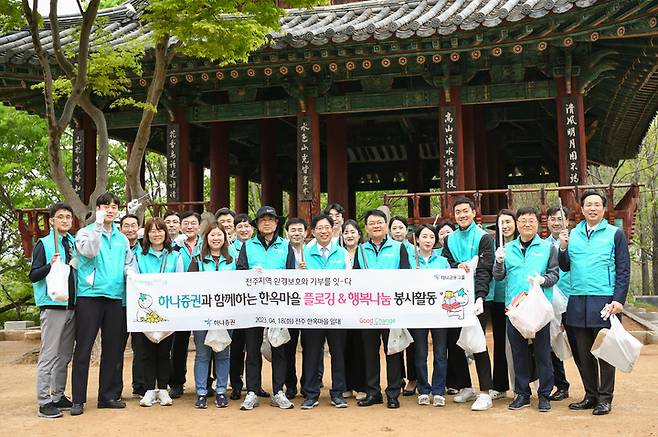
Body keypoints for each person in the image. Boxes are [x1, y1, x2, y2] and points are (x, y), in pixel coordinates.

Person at [558, 190, 630, 416]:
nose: (592, 208)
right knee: (584, 352)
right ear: (581, 208)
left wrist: (618, 299)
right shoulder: (572, 234)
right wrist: (562, 247)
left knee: (605, 351)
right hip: (578, 299)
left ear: (603, 208)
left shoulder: (614, 234)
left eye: (597, 204)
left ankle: (605, 398)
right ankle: (590, 395)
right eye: (588, 204)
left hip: (605, 300)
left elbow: (623, 269)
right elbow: (565, 266)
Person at [71, 192, 132, 416]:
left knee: (113, 350)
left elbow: (128, 264)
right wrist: (97, 226)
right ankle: (78, 399)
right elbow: (90, 251)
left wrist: (132, 275)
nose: (110, 210)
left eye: (115, 206)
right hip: (90, 296)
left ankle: (106, 396)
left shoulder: (121, 238)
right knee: (84, 348)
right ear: (98, 209)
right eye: (106, 206)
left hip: (115, 297)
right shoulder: (84, 233)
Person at [493, 207, 559, 412]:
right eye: (523, 221)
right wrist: (499, 262)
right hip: (515, 309)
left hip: (539, 309)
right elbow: (498, 276)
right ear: (517, 224)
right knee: (519, 353)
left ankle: (544, 394)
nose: (527, 224)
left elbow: (554, 275)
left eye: (531, 220)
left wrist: (542, 280)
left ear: (537, 223)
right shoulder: (508, 248)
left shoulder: (547, 248)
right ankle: (522, 394)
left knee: (542, 353)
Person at [236, 206, 296, 410]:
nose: (267, 223)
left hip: (278, 306)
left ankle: (278, 391)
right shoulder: (247, 246)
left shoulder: (286, 246)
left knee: (279, 349)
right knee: (252, 350)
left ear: (277, 223)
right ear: (257, 224)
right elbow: (239, 272)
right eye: (263, 220)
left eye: (271, 219)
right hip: (253, 306)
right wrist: (251, 273)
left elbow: (291, 275)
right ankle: (252, 391)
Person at [441, 196, 494, 411]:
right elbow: (446, 263)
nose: (462, 215)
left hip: (477, 299)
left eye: (465, 211)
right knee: (455, 343)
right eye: (458, 212)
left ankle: (485, 392)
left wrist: (480, 296)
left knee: (478, 344)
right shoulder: (449, 239)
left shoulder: (483, 237)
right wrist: (457, 266)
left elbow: (485, 269)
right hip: (454, 298)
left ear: (474, 212)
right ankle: (465, 386)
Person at [354, 209, 410, 409]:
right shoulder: (361, 250)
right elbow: (355, 279)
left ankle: (393, 393)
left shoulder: (398, 248)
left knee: (392, 350)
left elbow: (406, 275)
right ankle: (373, 392)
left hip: (391, 308)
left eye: (379, 222)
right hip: (368, 308)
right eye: (371, 223)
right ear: (366, 227)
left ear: (386, 225)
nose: (376, 226)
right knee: (369, 351)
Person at [298, 214, 351, 409]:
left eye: (327, 227)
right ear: (312, 231)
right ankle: (311, 394)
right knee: (311, 354)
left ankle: (338, 393)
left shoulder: (342, 253)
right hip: (312, 313)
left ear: (333, 229)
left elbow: (349, 282)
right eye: (319, 228)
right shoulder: (304, 253)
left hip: (337, 312)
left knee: (338, 354)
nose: (323, 231)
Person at [30, 202, 77, 418]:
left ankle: (58, 395)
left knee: (65, 354)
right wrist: (50, 265)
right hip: (52, 306)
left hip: (72, 306)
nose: (65, 220)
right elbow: (33, 275)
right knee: (49, 354)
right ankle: (44, 401)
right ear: (51, 220)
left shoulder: (74, 243)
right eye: (61, 217)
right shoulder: (44, 244)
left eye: (68, 217)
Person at [132, 218, 184, 407]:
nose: (156, 234)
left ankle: (162, 389)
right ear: (146, 234)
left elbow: (179, 282)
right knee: (145, 351)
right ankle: (148, 390)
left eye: (160, 230)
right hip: (144, 310)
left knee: (164, 351)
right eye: (152, 231)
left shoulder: (175, 256)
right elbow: (134, 279)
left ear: (166, 233)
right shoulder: (138, 255)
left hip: (167, 310)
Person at [188, 221, 235, 409]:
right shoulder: (197, 259)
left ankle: (221, 390)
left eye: (219, 235)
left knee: (223, 353)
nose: (216, 238)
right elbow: (189, 284)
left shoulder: (233, 259)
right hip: (202, 314)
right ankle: (201, 392)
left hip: (227, 313)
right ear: (206, 238)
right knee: (202, 354)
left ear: (225, 238)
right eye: (212, 235)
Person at [409, 224, 451, 407]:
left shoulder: (442, 261)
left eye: (431, 237)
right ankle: (424, 390)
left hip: (439, 314)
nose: (428, 240)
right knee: (420, 353)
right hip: (418, 314)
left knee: (441, 353)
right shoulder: (410, 260)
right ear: (417, 239)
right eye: (424, 237)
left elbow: (451, 285)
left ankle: (439, 390)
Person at [228, 213, 266, 401]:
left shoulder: (255, 247)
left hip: (258, 305)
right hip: (237, 305)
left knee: (254, 347)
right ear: (235, 230)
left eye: (247, 226)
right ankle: (235, 384)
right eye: (239, 226)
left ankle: (255, 385)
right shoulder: (228, 248)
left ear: (253, 229)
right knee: (236, 347)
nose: (243, 229)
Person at [168, 211, 203, 399]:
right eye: (186, 223)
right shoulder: (172, 247)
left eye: (193, 223)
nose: (189, 226)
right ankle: (176, 382)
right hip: (180, 301)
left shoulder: (208, 244)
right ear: (181, 227)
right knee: (178, 343)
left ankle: (207, 382)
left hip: (204, 300)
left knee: (206, 342)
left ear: (199, 226)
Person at [545, 205, 576, 402]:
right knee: (552, 343)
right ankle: (561, 384)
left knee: (579, 344)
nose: (556, 223)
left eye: (560, 219)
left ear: (568, 222)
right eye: (552, 219)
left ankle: (592, 387)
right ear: (547, 222)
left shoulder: (575, 242)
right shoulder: (542, 244)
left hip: (572, 298)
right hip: (552, 301)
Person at [113, 214, 146, 401]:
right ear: (121, 228)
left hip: (140, 305)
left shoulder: (145, 249)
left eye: (134, 225)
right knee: (116, 348)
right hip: (119, 302)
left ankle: (140, 386)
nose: (130, 229)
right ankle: (115, 389)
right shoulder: (116, 247)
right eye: (126, 226)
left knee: (141, 347)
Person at [486, 209, 517, 401]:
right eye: (501, 222)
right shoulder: (493, 244)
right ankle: (499, 384)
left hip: (519, 299)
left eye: (508, 222)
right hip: (498, 299)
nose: (505, 226)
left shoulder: (522, 243)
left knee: (523, 344)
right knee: (499, 342)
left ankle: (525, 385)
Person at [389, 215, 417, 396]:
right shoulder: (390, 249)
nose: (397, 231)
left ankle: (413, 378)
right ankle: (398, 376)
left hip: (412, 301)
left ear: (407, 230)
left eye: (401, 228)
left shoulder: (415, 249)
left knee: (412, 340)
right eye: (394, 228)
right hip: (391, 301)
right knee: (395, 338)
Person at [341, 220, 367, 400]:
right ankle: (346, 385)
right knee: (344, 346)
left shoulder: (366, 252)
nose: (349, 235)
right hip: (340, 306)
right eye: (346, 232)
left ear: (359, 234)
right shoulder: (338, 253)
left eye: (353, 232)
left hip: (362, 306)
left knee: (361, 346)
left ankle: (361, 385)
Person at [283, 217, 308, 399]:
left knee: (310, 347)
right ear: (287, 233)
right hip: (288, 306)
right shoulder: (281, 250)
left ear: (306, 232)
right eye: (293, 230)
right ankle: (290, 384)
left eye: (300, 230)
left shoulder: (312, 250)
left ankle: (308, 384)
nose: (296, 233)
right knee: (288, 348)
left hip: (309, 305)